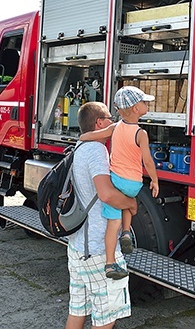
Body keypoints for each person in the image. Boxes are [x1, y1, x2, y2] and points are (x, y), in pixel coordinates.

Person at [66, 101, 138, 329]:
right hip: (97, 248)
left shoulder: (80, 147)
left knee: (77, 309)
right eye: (109, 118)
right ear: (99, 123)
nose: (113, 122)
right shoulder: (97, 150)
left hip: (77, 246)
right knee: (106, 316)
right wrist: (131, 203)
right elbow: (106, 195)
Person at [79, 86, 159, 280]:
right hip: (134, 183)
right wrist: (155, 180)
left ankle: (109, 263)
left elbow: (93, 135)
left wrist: (82, 137)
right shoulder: (141, 133)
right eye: (144, 102)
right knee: (128, 202)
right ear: (135, 109)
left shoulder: (115, 127)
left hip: (116, 180)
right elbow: (147, 161)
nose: (146, 104)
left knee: (112, 223)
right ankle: (126, 233)